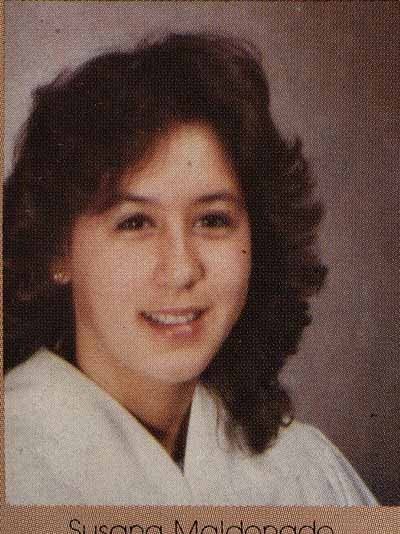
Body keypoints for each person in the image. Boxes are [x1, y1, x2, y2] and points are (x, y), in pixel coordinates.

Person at [4, 32, 377, 505]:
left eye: (213, 220)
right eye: (135, 222)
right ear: (58, 250)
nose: (182, 269)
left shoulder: (301, 470)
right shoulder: (17, 470)